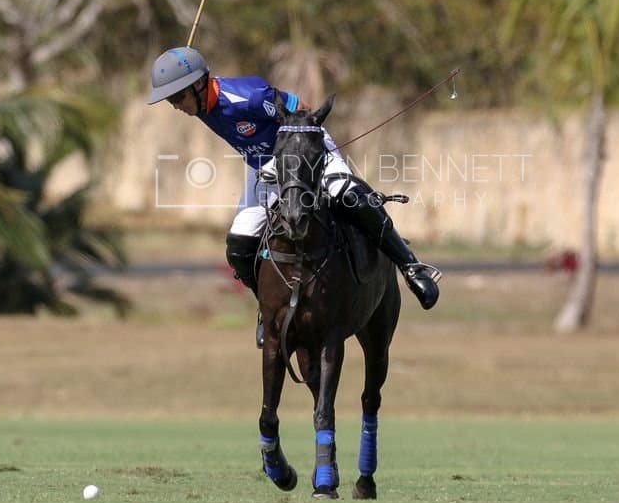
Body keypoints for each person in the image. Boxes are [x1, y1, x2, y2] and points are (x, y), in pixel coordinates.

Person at [147, 46, 440, 310]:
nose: (175, 105)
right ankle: (269, 308)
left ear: (199, 84)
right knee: (239, 245)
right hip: (263, 169)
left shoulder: (248, 97)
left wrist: (285, 155)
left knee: (348, 195)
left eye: (177, 96)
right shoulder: (197, 101)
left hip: (304, 151)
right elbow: (184, 71)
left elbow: (301, 111)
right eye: (170, 99)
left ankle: (412, 267)